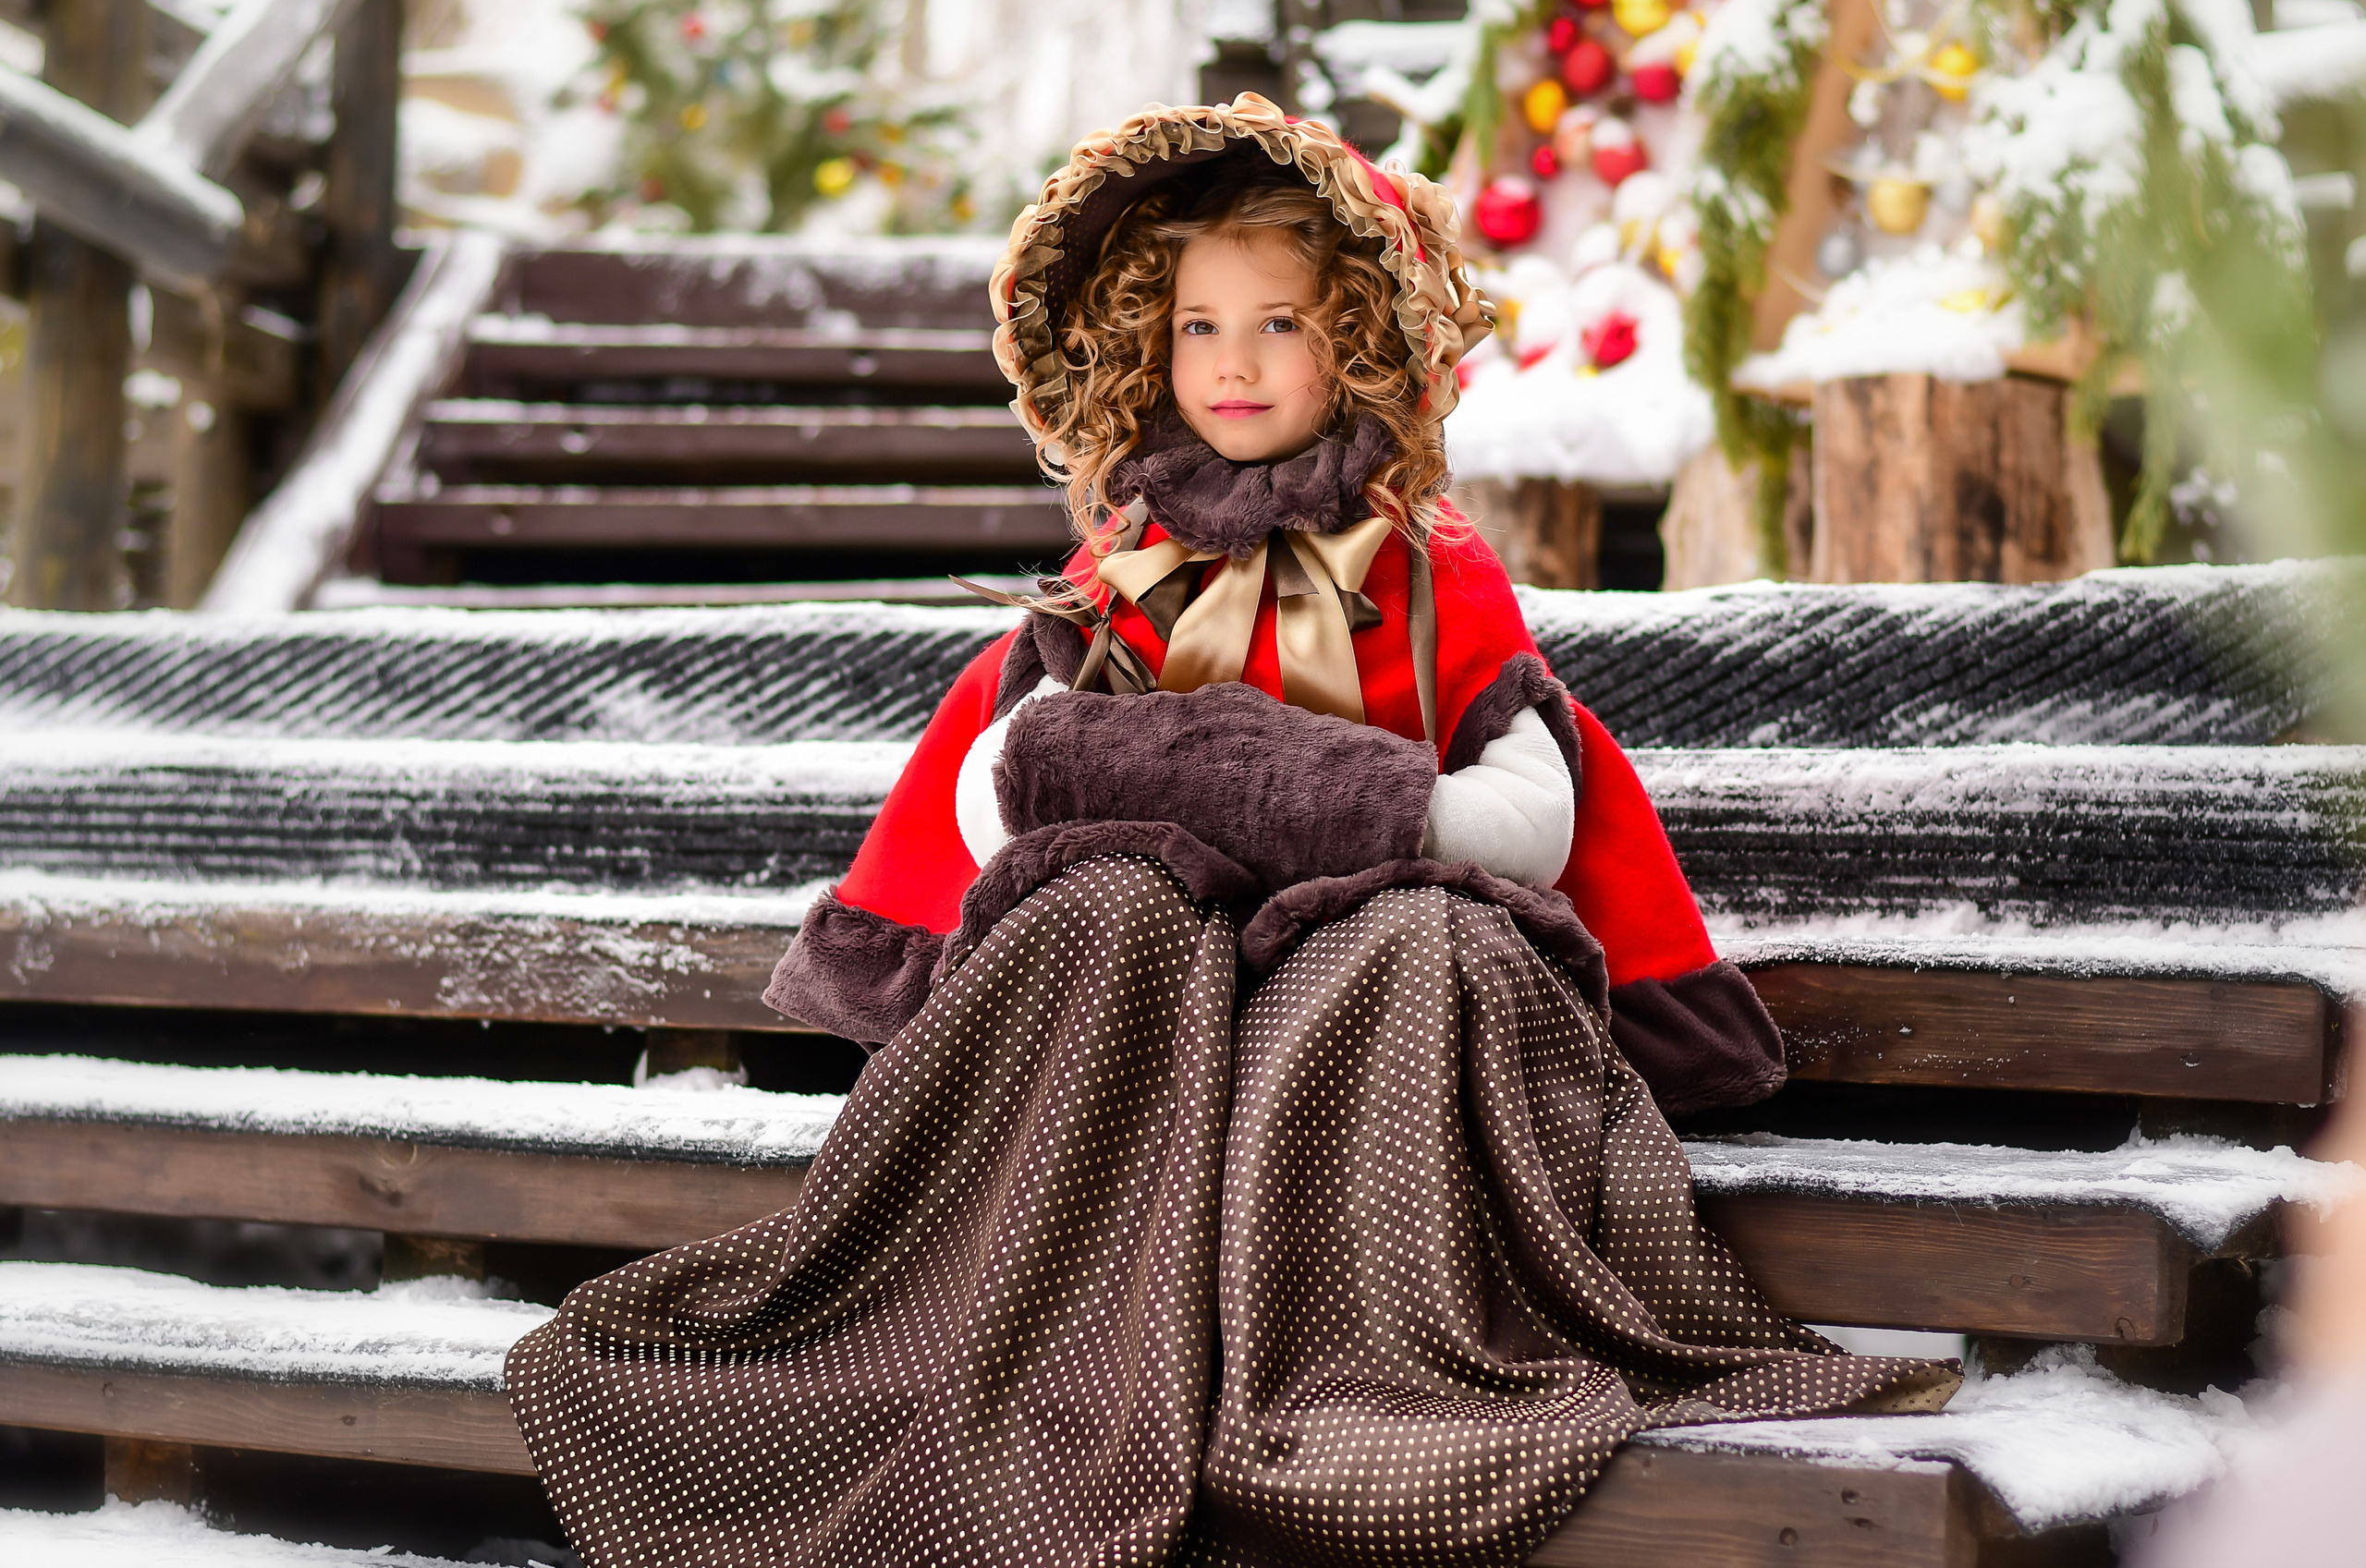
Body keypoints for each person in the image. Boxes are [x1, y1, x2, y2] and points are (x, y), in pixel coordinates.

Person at [505, 94, 1955, 1568]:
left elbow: (1528, 805)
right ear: (1150, 341)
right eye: (1200, 328)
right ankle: (1042, 1340)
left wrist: (1349, 800)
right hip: (1158, 981)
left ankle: (1352, 1365)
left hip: (1362, 959)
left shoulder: (1432, 573)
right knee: (1098, 908)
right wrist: (1153, 782)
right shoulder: (1126, 568)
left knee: (1414, 945)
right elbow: (992, 780)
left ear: (1363, 344)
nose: (1236, 364)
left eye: (1280, 324)